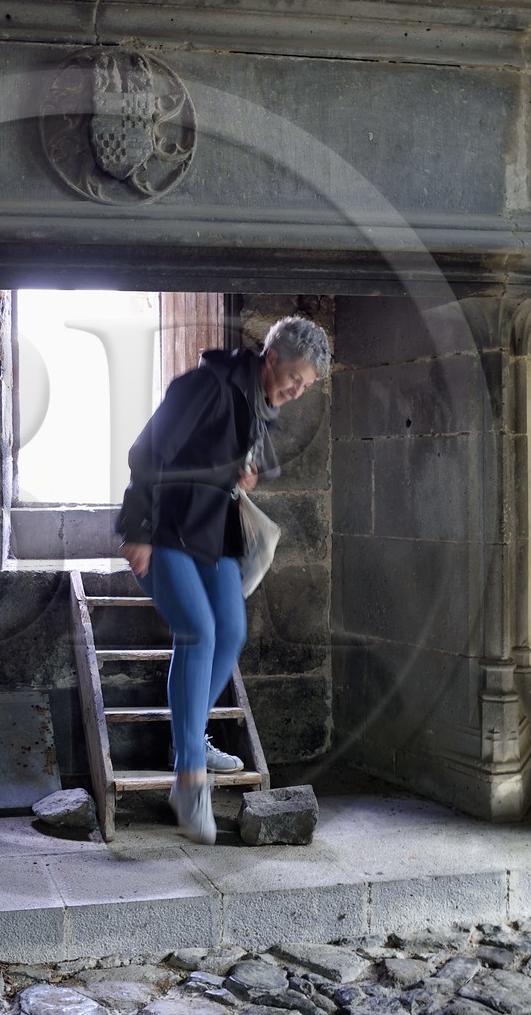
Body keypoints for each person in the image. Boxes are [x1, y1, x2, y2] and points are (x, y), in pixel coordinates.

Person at [115, 315, 330, 843]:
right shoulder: (205, 385)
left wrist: (239, 471)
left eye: (305, 387)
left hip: (213, 533)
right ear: (272, 358)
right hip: (165, 528)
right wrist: (137, 529)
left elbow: (209, 455)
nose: (296, 392)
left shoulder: (257, 405)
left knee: (230, 634)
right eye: (295, 378)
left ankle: (189, 737)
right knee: (199, 632)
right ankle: (189, 781)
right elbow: (147, 451)